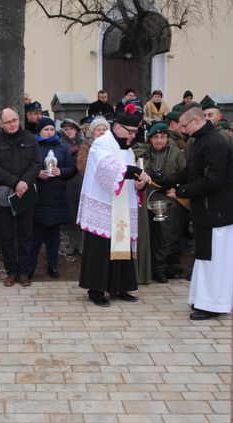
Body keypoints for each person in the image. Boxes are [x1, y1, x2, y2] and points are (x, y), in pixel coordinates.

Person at [164, 103, 233, 320]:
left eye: (184, 125)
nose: (182, 129)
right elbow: (191, 171)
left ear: (197, 121)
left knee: (215, 260)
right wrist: (167, 180)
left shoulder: (215, 143)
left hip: (217, 213)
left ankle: (214, 304)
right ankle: (204, 299)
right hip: (208, 212)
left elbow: (213, 181)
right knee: (204, 257)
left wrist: (183, 190)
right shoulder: (200, 141)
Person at [77, 104, 151, 307]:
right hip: (102, 203)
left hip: (122, 206)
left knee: (123, 245)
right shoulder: (102, 143)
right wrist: (133, 172)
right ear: (118, 126)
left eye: (136, 132)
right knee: (101, 249)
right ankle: (96, 290)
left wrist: (138, 183)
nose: (133, 136)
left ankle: (120, 287)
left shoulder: (127, 149)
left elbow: (128, 174)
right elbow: (106, 169)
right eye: (131, 131)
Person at [0, 107, 41, 286]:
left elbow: (36, 163)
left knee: (26, 234)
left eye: (15, 120)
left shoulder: (30, 139)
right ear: (1, 124)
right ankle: (11, 271)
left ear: (19, 120)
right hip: (4, 193)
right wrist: (15, 183)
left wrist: (24, 182)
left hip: (25, 192)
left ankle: (24, 272)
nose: (12, 124)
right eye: (8, 122)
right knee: (7, 235)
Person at [133, 122, 186, 283]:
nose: (159, 141)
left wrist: (174, 185)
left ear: (168, 139)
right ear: (150, 139)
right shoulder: (143, 152)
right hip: (146, 198)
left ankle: (161, 268)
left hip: (168, 199)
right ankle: (147, 268)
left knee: (165, 235)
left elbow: (184, 175)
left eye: (163, 137)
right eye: (156, 137)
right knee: (147, 234)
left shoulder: (176, 154)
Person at [29, 118, 76, 279]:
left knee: (53, 235)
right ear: (39, 132)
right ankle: (30, 267)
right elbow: (27, 167)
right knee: (35, 235)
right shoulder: (33, 146)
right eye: (46, 129)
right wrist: (36, 174)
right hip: (38, 196)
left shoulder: (62, 147)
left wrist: (60, 172)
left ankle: (52, 265)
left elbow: (72, 169)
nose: (49, 132)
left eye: (51, 129)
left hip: (56, 196)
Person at [59, 119, 85, 256]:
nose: (69, 131)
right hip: (68, 182)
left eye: (71, 129)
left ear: (76, 130)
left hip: (82, 182)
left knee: (82, 212)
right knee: (70, 213)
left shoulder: (84, 144)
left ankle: (81, 243)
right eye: (66, 129)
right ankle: (72, 242)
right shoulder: (60, 145)